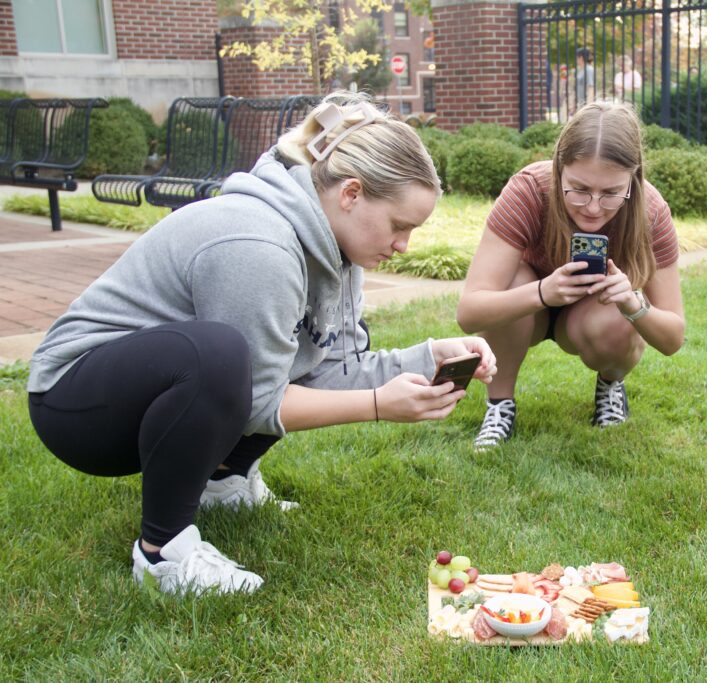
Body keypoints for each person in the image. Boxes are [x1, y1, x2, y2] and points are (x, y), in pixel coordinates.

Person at [26, 92, 497, 595]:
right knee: (223, 357)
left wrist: (428, 358)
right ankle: (162, 554)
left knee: (262, 353)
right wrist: (380, 405)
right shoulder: (258, 244)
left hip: (147, 400)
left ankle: (223, 481)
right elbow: (256, 400)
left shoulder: (340, 252)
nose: (404, 244)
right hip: (75, 404)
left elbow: (328, 368)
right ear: (352, 194)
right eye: (399, 225)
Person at [456, 101, 685, 449]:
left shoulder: (651, 212)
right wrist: (544, 292)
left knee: (623, 312)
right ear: (559, 167)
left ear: (633, 179)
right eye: (578, 188)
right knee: (512, 279)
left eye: (610, 193)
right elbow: (469, 313)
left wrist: (632, 301)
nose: (593, 207)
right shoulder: (529, 191)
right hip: (527, 311)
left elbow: (673, 339)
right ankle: (499, 404)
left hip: (592, 317)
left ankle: (610, 384)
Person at [574, 48, 596, 112]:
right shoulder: (580, 70)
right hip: (580, 104)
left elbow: (591, 87)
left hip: (585, 104)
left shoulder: (588, 70)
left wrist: (588, 106)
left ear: (580, 57)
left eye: (576, 57)